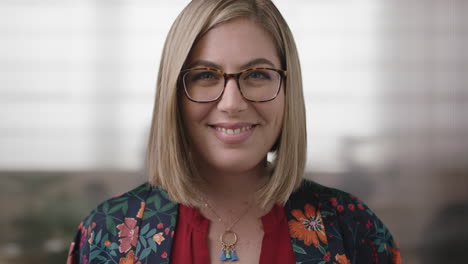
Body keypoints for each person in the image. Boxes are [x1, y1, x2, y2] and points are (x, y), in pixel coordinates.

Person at [67, 0, 401, 263]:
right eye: (204, 75)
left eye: (257, 74)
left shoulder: (353, 227)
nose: (232, 103)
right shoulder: (108, 232)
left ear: (288, 90)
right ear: (174, 95)